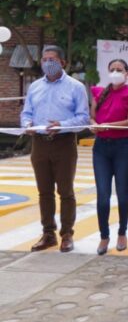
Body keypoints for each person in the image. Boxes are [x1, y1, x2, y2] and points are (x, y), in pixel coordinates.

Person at [20, 45, 89, 253]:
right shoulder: (35, 87)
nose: (47, 63)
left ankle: (67, 234)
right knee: (44, 192)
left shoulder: (75, 87)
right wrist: (27, 125)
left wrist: (62, 125)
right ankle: (48, 233)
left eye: (52, 59)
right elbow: (26, 112)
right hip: (39, 143)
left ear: (62, 62)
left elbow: (83, 118)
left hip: (64, 142)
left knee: (65, 191)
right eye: (44, 59)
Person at [90, 59, 128, 255]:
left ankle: (122, 232)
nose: (115, 72)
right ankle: (104, 236)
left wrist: (109, 126)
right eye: (112, 69)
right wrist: (93, 123)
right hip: (101, 148)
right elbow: (92, 116)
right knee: (103, 196)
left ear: (127, 73)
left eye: (119, 70)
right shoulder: (99, 92)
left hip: (124, 148)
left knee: (122, 193)